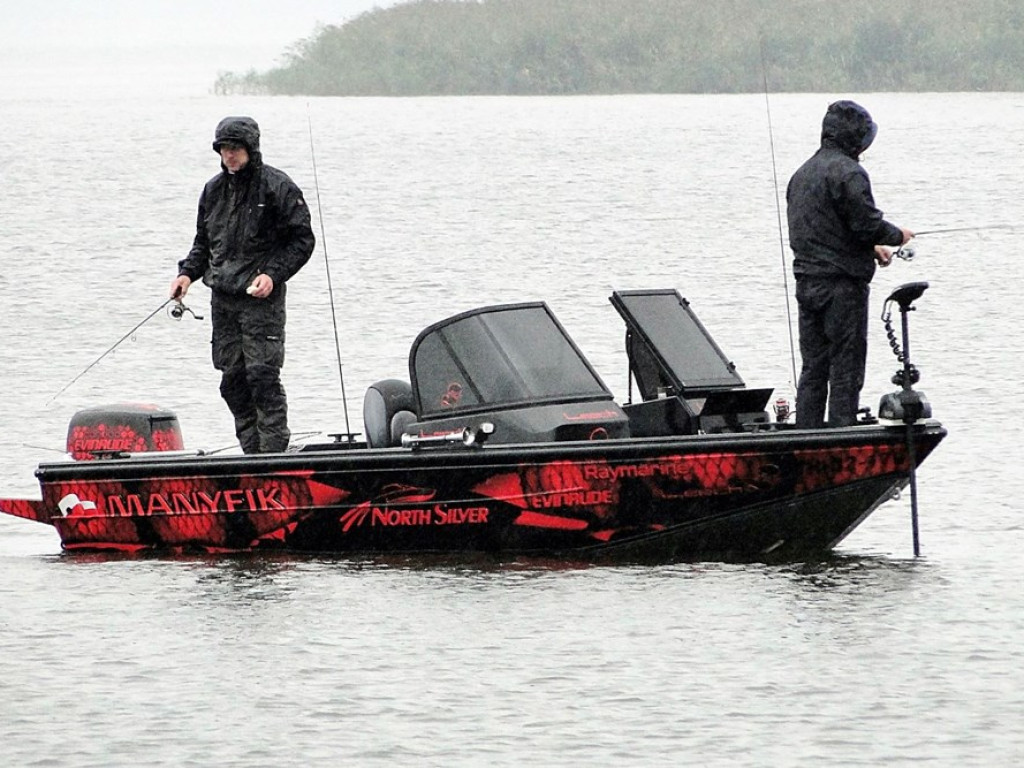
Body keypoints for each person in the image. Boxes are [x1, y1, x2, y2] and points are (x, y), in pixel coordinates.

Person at [170, 116, 315, 453]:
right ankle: (253, 452)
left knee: (262, 376)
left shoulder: (278, 187)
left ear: (250, 148)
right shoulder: (213, 191)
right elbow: (203, 244)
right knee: (232, 381)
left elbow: (302, 241)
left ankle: (273, 455)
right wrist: (186, 275)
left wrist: (273, 275)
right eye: (223, 149)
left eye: (235, 148)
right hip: (224, 300)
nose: (229, 155)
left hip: (261, 300)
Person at [786, 100, 914, 429]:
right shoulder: (850, 173)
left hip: (807, 286)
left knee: (813, 367)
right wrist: (896, 236)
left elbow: (826, 228)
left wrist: (872, 249)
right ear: (854, 139)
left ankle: (806, 435)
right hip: (842, 289)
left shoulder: (800, 176)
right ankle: (841, 436)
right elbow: (867, 224)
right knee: (846, 366)